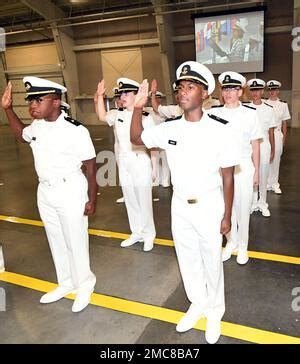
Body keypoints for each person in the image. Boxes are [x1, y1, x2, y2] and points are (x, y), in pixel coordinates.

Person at [130, 61, 240, 344]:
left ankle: (215, 310)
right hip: (179, 205)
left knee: (212, 261)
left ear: (204, 94)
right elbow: (136, 137)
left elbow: (228, 177)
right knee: (187, 259)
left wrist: (227, 216)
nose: (182, 92)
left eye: (191, 87)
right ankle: (197, 303)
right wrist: (137, 107)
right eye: (180, 87)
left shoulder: (221, 129)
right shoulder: (169, 128)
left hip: (209, 203)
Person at [1, 77, 97, 312]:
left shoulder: (76, 130)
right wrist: (8, 109)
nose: (32, 105)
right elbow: (21, 134)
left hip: (70, 189)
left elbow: (92, 166)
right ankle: (66, 282)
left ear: (55, 102)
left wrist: (92, 198)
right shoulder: (38, 126)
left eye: (38, 100)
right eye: (30, 101)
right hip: (44, 190)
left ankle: (85, 284)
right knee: (56, 239)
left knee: (75, 240)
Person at [95, 77, 156, 252]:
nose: (123, 96)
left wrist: (154, 167)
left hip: (140, 161)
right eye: (121, 93)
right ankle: (136, 232)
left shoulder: (146, 117)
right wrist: (100, 96)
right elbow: (101, 116)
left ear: (137, 95)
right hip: (124, 162)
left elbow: (153, 145)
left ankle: (149, 235)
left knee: (144, 200)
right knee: (130, 198)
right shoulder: (117, 114)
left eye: (127, 93)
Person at [210, 71, 263, 265]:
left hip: (243, 167)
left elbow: (256, 145)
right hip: (221, 170)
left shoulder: (250, 114)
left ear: (241, 92)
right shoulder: (213, 114)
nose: (229, 92)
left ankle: (243, 246)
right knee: (225, 209)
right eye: (225, 88)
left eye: (233, 88)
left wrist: (256, 171)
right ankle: (230, 241)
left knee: (242, 209)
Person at [247, 79, 276, 217]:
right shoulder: (245, 108)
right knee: (252, 175)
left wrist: (273, 149)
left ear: (262, 91)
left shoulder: (268, 109)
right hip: (249, 146)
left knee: (263, 175)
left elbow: (271, 131)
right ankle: (253, 203)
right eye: (253, 90)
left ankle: (263, 202)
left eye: (258, 90)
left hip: (264, 145)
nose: (255, 93)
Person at [94, 86, 125, 203]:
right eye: (117, 98)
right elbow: (101, 116)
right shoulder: (114, 113)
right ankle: (126, 195)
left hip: (136, 150)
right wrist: (97, 100)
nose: (119, 101)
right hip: (119, 149)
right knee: (122, 173)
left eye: (121, 97)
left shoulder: (138, 112)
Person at [266, 80, 291, 194]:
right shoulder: (263, 103)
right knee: (265, 159)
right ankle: (266, 183)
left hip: (277, 134)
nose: (272, 92)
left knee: (276, 160)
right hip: (265, 135)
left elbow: (284, 123)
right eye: (271, 90)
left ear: (278, 91)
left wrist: (284, 138)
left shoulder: (283, 104)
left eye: (274, 90)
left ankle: (274, 183)